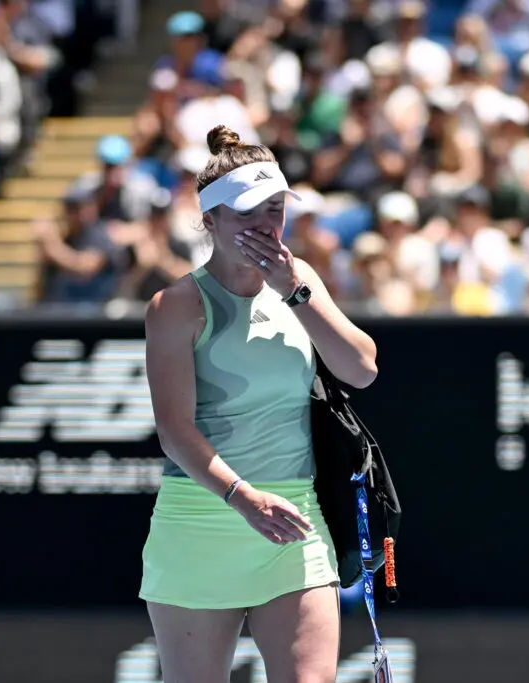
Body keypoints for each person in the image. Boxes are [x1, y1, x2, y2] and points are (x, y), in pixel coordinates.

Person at [140, 124, 378, 683]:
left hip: (296, 519)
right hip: (202, 523)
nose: (266, 225)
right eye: (248, 213)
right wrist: (242, 498)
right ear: (211, 220)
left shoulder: (302, 281)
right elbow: (175, 432)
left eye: (275, 209)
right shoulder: (175, 307)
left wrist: (296, 291)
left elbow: (362, 369)